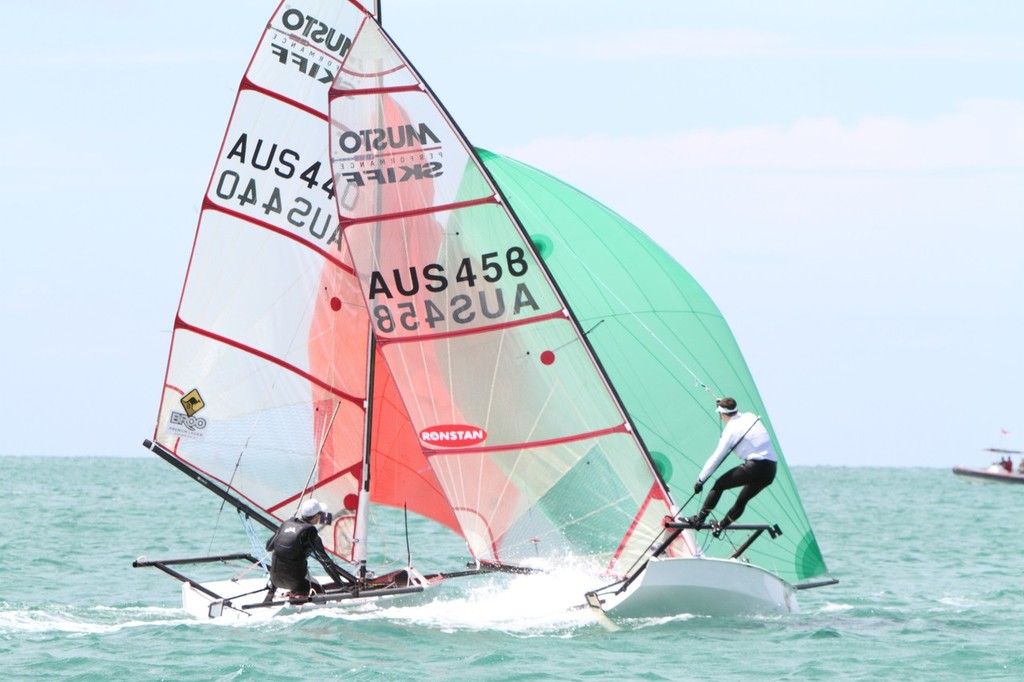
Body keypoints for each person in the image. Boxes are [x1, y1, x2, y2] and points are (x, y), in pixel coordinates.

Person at [686, 397, 778, 536]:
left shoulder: (730, 431)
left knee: (719, 485)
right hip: (771, 470)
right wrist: (722, 402)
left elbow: (716, 458)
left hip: (756, 466)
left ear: (721, 414)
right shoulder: (750, 416)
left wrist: (700, 480)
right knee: (742, 500)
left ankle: (699, 519)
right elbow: (730, 406)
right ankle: (720, 526)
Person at [265, 498, 352, 596]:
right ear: (316, 516)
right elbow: (325, 562)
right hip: (296, 583)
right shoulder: (310, 532)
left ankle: (270, 597)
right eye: (320, 514)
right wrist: (341, 585)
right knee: (320, 593)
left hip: (275, 580)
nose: (321, 517)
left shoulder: (286, 523)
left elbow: (269, 547)